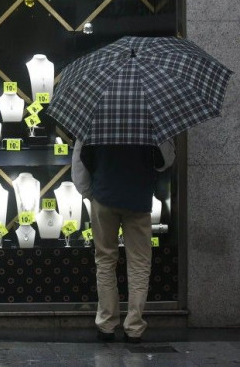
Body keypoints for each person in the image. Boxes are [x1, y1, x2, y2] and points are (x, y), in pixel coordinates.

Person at [72, 138, 174, 343]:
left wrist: (89, 193)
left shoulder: (96, 114)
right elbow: (165, 161)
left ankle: (107, 324)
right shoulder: (149, 117)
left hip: (104, 195)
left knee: (105, 261)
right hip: (139, 199)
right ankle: (134, 327)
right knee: (139, 264)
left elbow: (79, 161)